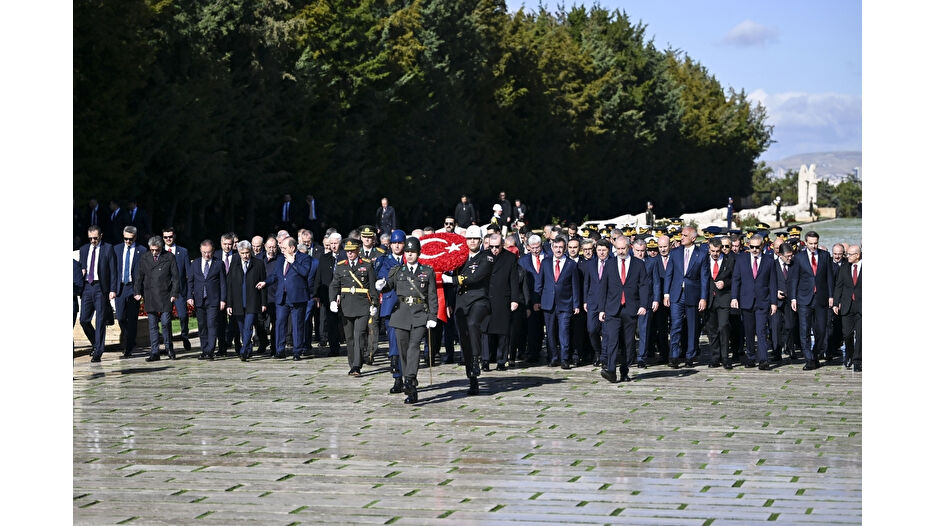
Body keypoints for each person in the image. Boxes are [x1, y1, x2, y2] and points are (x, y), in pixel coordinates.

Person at [376, 237, 439, 403]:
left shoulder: (427, 271)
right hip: (401, 314)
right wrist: (381, 284)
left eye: (412, 252)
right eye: (407, 252)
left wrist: (433, 316)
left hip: (419, 314)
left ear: (418, 253)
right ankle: (408, 380)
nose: (409, 255)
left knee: (414, 347)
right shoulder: (398, 271)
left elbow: (432, 296)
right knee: (402, 349)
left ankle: (410, 379)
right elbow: (389, 285)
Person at [446, 225, 493, 394]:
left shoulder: (486, 257)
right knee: (464, 340)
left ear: (480, 241)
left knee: (473, 323)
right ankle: (472, 379)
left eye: (475, 239)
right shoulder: (459, 257)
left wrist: (452, 279)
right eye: (469, 239)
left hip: (479, 299)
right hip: (461, 301)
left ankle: (476, 358)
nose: (472, 242)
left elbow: (476, 277)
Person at [597, 235, 649, 383]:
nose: (620, 251)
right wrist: (601, 309)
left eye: (623, 248)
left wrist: (643, 305)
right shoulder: (610, 264)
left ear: (629, 247)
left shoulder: (638, 264)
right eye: (618, 249)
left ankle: (624, 371)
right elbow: (603, 288)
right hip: (613, 309)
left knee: (628, 342)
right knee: (612, 340)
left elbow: (644, 285)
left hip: (631, 308)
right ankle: (611, 371)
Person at [329, 239, 378, 376]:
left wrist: (374, 304)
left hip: (362, 305)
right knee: (349, 337)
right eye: (348, 251)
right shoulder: (340, 266)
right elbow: (334, 285)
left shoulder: (367, 265)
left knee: (359, 335)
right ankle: (352, 363)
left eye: (352, 251)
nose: (350, 253)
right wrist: (333, 300)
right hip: (346, 306)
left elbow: (372, 287)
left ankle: (357, 365)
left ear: (358, 251)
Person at [730, 234, 778, 370]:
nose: (755, 250)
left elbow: (772, 283)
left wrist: (773, 302)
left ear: (762, 246)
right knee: (749, 331)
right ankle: (751, 357)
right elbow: (736, 280)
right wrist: (734, 297)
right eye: (752, 247)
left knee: (761, 330)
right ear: (748, 246)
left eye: (758, 247)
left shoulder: (769, 261)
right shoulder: (741, 259)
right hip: (746, 300)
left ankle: (763, 360)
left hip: (763, 301)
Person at [663, 226, 708, 368]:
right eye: (681, 235)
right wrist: (666, 293)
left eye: (685, 235)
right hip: (676, 294)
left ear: (693, 238)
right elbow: (669, 274)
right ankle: (674, 356)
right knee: (675, 325)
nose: (681, 237)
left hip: (693, 295)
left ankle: (690, 356)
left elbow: (704, 278)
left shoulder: (701, 254)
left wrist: (703, 298)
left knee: (692, 327)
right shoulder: (675, 253)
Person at [266, 237, 317, 360]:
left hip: (297, 297)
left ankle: (297, 351)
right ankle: (280, 350)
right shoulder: (280, 259)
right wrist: (265, 282)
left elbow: (305, 272)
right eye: (281, 248)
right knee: (280, 324)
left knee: (297, 325)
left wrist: (293, 262)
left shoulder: (304, 258)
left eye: (284, 248)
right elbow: (275, 276)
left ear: (292, 248)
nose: (281, 250)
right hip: (282, 297)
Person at [789, 231, 834, 370]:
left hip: (821, 298)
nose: (814, 246)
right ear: (806, 243)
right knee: (804, 330)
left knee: (821, 330)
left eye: (816, 243)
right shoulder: (799, 257)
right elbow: (794, 279)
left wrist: (831, 296)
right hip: (804, 298)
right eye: (811, 244)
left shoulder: (825, 256)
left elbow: (829, 278)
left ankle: (815, 355)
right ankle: (809, 359)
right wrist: (793, 298)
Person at [535, 235, 581, 369]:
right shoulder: (546, 262)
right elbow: (540, 282)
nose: (558, 250)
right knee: (550, 332)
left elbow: (575, 286)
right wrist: (537, 300)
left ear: (565, 248)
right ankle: (553, 357)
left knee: (564, 331)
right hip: (548, 303)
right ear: (551, 248)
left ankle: (565, 358)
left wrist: (576, 304)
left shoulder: (571, 264)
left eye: (561, 247)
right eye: (556, 247)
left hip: (565, 303)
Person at [135, 236, 181, 362]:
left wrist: (174, 293)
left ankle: (169, 348)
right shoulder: (145, 257)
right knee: (152, 324)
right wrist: (137, 291)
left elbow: (176, 277)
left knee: (166, 322)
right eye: (152, 250)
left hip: (165, 294)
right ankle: (154, 352)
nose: (154, 252)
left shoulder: (169, 257)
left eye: (156, 250)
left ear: (161, 248)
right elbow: (139, 275)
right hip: (150, 294)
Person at [79, 225, 118, 362]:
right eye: (90, 238)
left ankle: (98, 352)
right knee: (84, 319)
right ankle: (96, 343)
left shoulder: (108, 248)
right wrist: (82, 271)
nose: (93, 241)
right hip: (87, 287)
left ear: (101, 236)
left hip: (100, 287)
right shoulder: (84, 249)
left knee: (101, 320)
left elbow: (113, 270)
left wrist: (113, 289)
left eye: (95, 238)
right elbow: (81, 266)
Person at [225, 241, 268, 361]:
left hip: (252, 301)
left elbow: (264, 285)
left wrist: (263, 303)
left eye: (247, 253)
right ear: (238, 253)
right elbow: (230, 285)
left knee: (248, 327)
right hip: (238, 302)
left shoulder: (258, 264)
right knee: (242, 328)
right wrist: (229, 304)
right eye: (242, 253)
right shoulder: (235, 264)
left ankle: (244, 350)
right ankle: (248, 350)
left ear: (251, 252)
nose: (245, 255)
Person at [484, 233, 521, 370]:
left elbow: (514, 280)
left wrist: (514, 299)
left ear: (502, 245)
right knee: (485, 331)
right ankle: (485, 360)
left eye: (497, 247)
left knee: (503, 331)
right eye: (491, 246)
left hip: (503, 298)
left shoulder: (510, 258)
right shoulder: (484, 256)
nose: (494, 249)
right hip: (486, 298)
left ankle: (501, 360)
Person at [376, 230, 406, 392]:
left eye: (399, 243)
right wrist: (381, 284)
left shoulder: (410, 258)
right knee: (394, 343)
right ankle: (397, 377)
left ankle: (408, 377)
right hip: (391, 306)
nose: (396, 245)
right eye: (394, 243)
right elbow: (382, 277)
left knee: (408, 345)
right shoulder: (385, 260)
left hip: (408, 307)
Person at [187, 240, 227, 360]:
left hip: (213, 300)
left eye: (209, 252)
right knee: (202, 325)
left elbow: (223, 284)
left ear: (213, 251)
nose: (206, 255)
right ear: (200, 251)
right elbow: (190, 281)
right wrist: (189, 296)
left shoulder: (218, 264)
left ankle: (210, 350)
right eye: (204, 252)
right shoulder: (195, 264)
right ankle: (204, 350)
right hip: (199, 299)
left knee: (211, 324)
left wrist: (223, 300)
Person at [114, 226, 146, 358]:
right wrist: (112, 289)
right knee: (121, 317)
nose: (127, 241)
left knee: (132, 319)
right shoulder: (116, 249)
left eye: (130, 239)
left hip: (134, 288)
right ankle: (129, 337)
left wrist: (141, 291)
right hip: (120, 287)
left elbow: (144, 272)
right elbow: (113, 270)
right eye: (125, 239)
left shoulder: (142, 250)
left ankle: (129, 347)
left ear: (135, 238)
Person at [704, 237, 735, 369]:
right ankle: (715, 358)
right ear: (709, 249)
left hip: (724, 298)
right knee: (712, 330)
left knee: (723, 327)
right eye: (712, 251)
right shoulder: (704, 261)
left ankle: (725, 358)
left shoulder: (729, 260)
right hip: (709, 299)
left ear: (721, 249)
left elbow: (735, 278)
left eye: (717, 251)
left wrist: (725, 283)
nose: (715, 253)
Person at [631, 238, 662, 368]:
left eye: (643, 251)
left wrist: (656, 299)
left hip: (647, 300)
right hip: (630, 300)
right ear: (632, 249)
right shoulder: (628, 262)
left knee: (644, 330)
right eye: (638, 251)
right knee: (629, 330)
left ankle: (642, 358)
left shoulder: (652, 263)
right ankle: (630, 355)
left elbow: (656, 282)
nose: (640, 253)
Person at [162, 227, 192, 351]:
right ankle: (168, 345)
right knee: (165, 320)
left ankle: (184, 335)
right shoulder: (159, 251)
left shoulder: (183, 251)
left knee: (183, 316)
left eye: (170, 236)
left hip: (180, 290)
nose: (168, 239)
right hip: (164, 291)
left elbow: (188, 273)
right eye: (165, 237)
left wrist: (190, 292)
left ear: (174, 236)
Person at [833, 245, 861, 372]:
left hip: (861, 306)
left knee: (861, 335)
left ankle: (857, 360)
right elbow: (839, 286)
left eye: (850, 254)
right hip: (847, 306)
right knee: (847, 334)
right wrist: (835, 303)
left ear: (857, 255)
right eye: (847, 254)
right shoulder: (844, 268)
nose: (847, 256)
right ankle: (848, 355)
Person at [518, 234, 545, 363]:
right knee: (533, 328)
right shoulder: (523, 261)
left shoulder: (549, 257)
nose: (535, 250)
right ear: (528, 247)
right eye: (533, 247)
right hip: (530, 298)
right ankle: (533, 352)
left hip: (547, 299)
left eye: (538, 247)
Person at [771, 242, 798, 363]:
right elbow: (768, 282)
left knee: (790, 325)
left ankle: (790, 347)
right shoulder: (773, 265)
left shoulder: (794, 265)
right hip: (776, 301)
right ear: (780, 254)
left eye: (791, 255)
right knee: (776, 326)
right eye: (787, 256)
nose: (790, 258)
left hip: (790, 300)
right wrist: (775, 292)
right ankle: (777, 351)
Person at [317, 233, 342, 357]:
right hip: (328, 296)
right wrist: (317, 294)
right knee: (331, 322)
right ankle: (334, 348)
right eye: (331, 243)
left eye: (335, 243)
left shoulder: (344, 256)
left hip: (344, 295)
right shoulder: (324, 258)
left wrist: (340, 293)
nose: (333, 246)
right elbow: (319, 276)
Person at [215, 233, 239, 355]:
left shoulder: (237, 256)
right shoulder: (216, 256)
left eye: (230, 244)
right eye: (225, 244)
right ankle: (222, 347)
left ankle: (237, 346)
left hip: (235, 294)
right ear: (221, 243)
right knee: (221, 322)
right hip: (220, 294)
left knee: (235, 321)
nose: (228, 247)